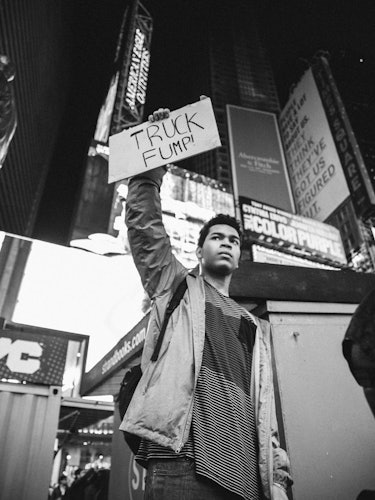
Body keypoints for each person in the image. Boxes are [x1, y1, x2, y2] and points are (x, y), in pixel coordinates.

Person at [120, 107, 293, 500]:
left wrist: (279, 477)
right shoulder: (177, 287)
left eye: (234, 240)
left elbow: (265, 411)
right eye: (218, 237)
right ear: (199, 250)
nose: (228, 243)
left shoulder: (254, 326)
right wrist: (152, 166)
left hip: (245, 478)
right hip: (182, 463)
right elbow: (145, 227)